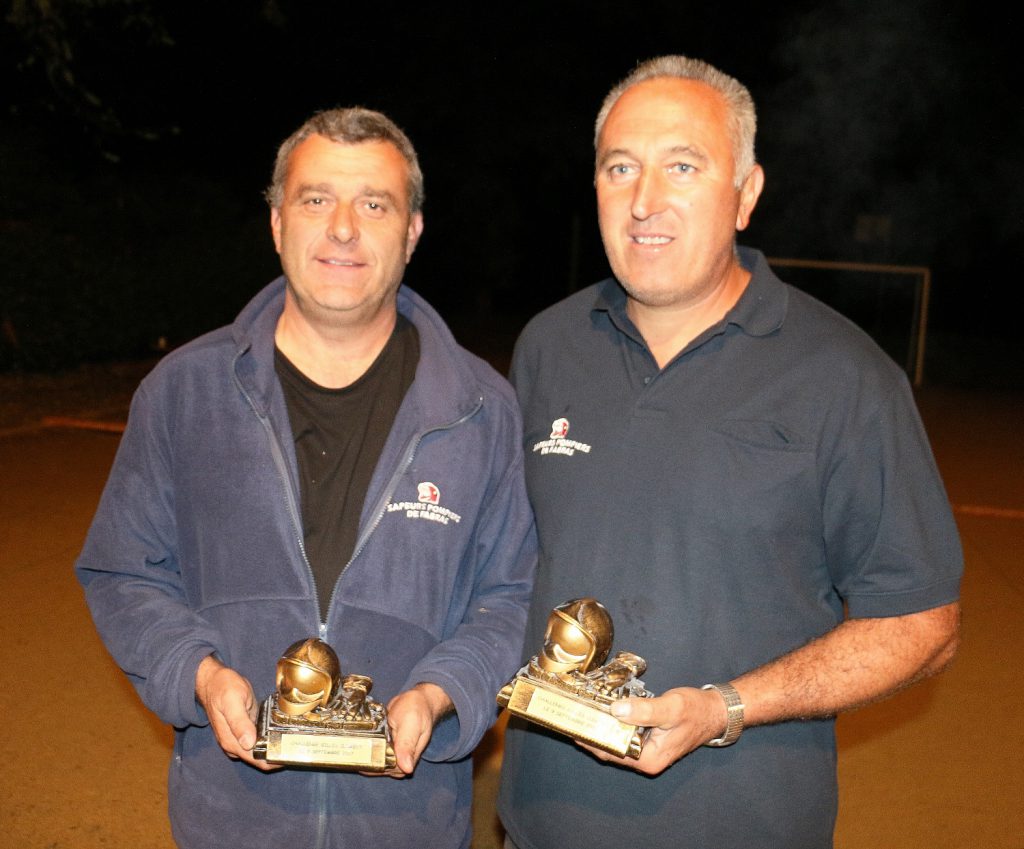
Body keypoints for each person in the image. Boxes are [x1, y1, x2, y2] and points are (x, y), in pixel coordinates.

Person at [497, 55, 962, 849]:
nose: (645, 201)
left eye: (683, 165)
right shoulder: (548, 346)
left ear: (746, 193)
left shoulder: (842, 376)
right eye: (621, 167)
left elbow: (922, 623)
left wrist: (727, 706)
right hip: (541, 825)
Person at [75, 107, 536, 849]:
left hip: (408, 824)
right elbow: (124, 569)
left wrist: (439, 692)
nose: (344, 228)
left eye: (374, 203)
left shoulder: (484, 410)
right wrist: (196, 671)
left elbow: (511, 595)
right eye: (316, 199)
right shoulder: (184, 392)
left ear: (412, 231)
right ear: (277, 221)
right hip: (230, 821)